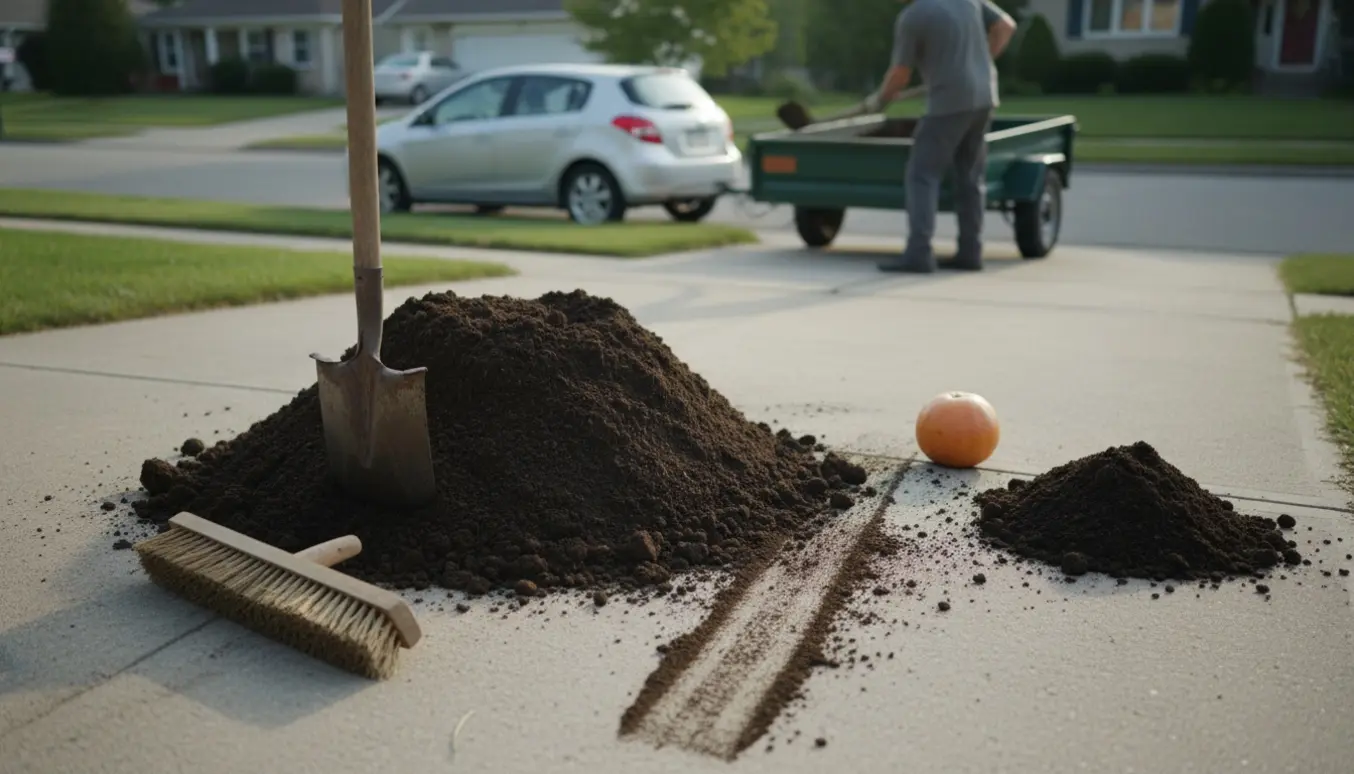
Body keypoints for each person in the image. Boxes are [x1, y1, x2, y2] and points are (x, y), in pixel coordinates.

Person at [858, 0, 1017, 272]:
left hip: (949, 102)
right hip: (984, 98)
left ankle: (919, 253)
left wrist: (880, 101)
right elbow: (1006, 26)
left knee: (922, 173)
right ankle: (971, 251)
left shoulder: (913, 16)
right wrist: (983, 62)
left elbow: (900, 73)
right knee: (969, 177)